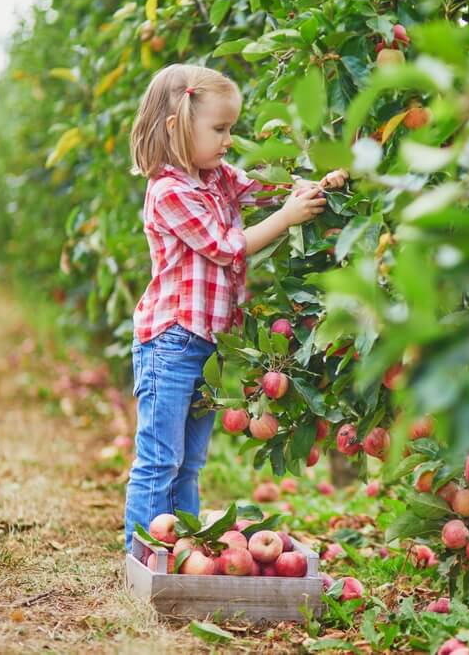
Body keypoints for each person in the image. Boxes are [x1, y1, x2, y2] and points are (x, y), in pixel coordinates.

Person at [122, 63, 347, 551]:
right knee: (160, 458)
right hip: (171, 342)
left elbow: (265, 191)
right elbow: (226, 246)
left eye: (231, 129)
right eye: (219, 129)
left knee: (191, 460)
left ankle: (179, 553)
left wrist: (315, 187)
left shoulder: (216, 177)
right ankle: (141, 554)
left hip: (207, 345)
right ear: (178, 127)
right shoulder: (169, 191)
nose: (229, 140)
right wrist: (288, 218)